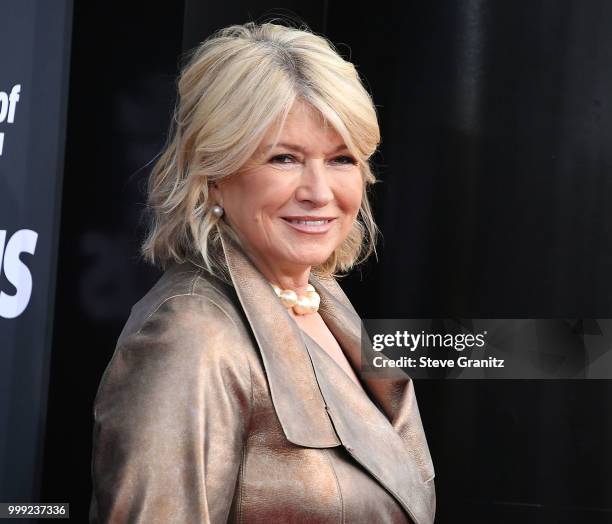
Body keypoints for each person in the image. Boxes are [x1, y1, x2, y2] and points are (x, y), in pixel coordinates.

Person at [89, 20, 435, 524]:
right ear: (214, 174)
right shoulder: (189, 338)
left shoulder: (322, 302)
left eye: (341, 159)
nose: (319, 191)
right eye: (285, 158)